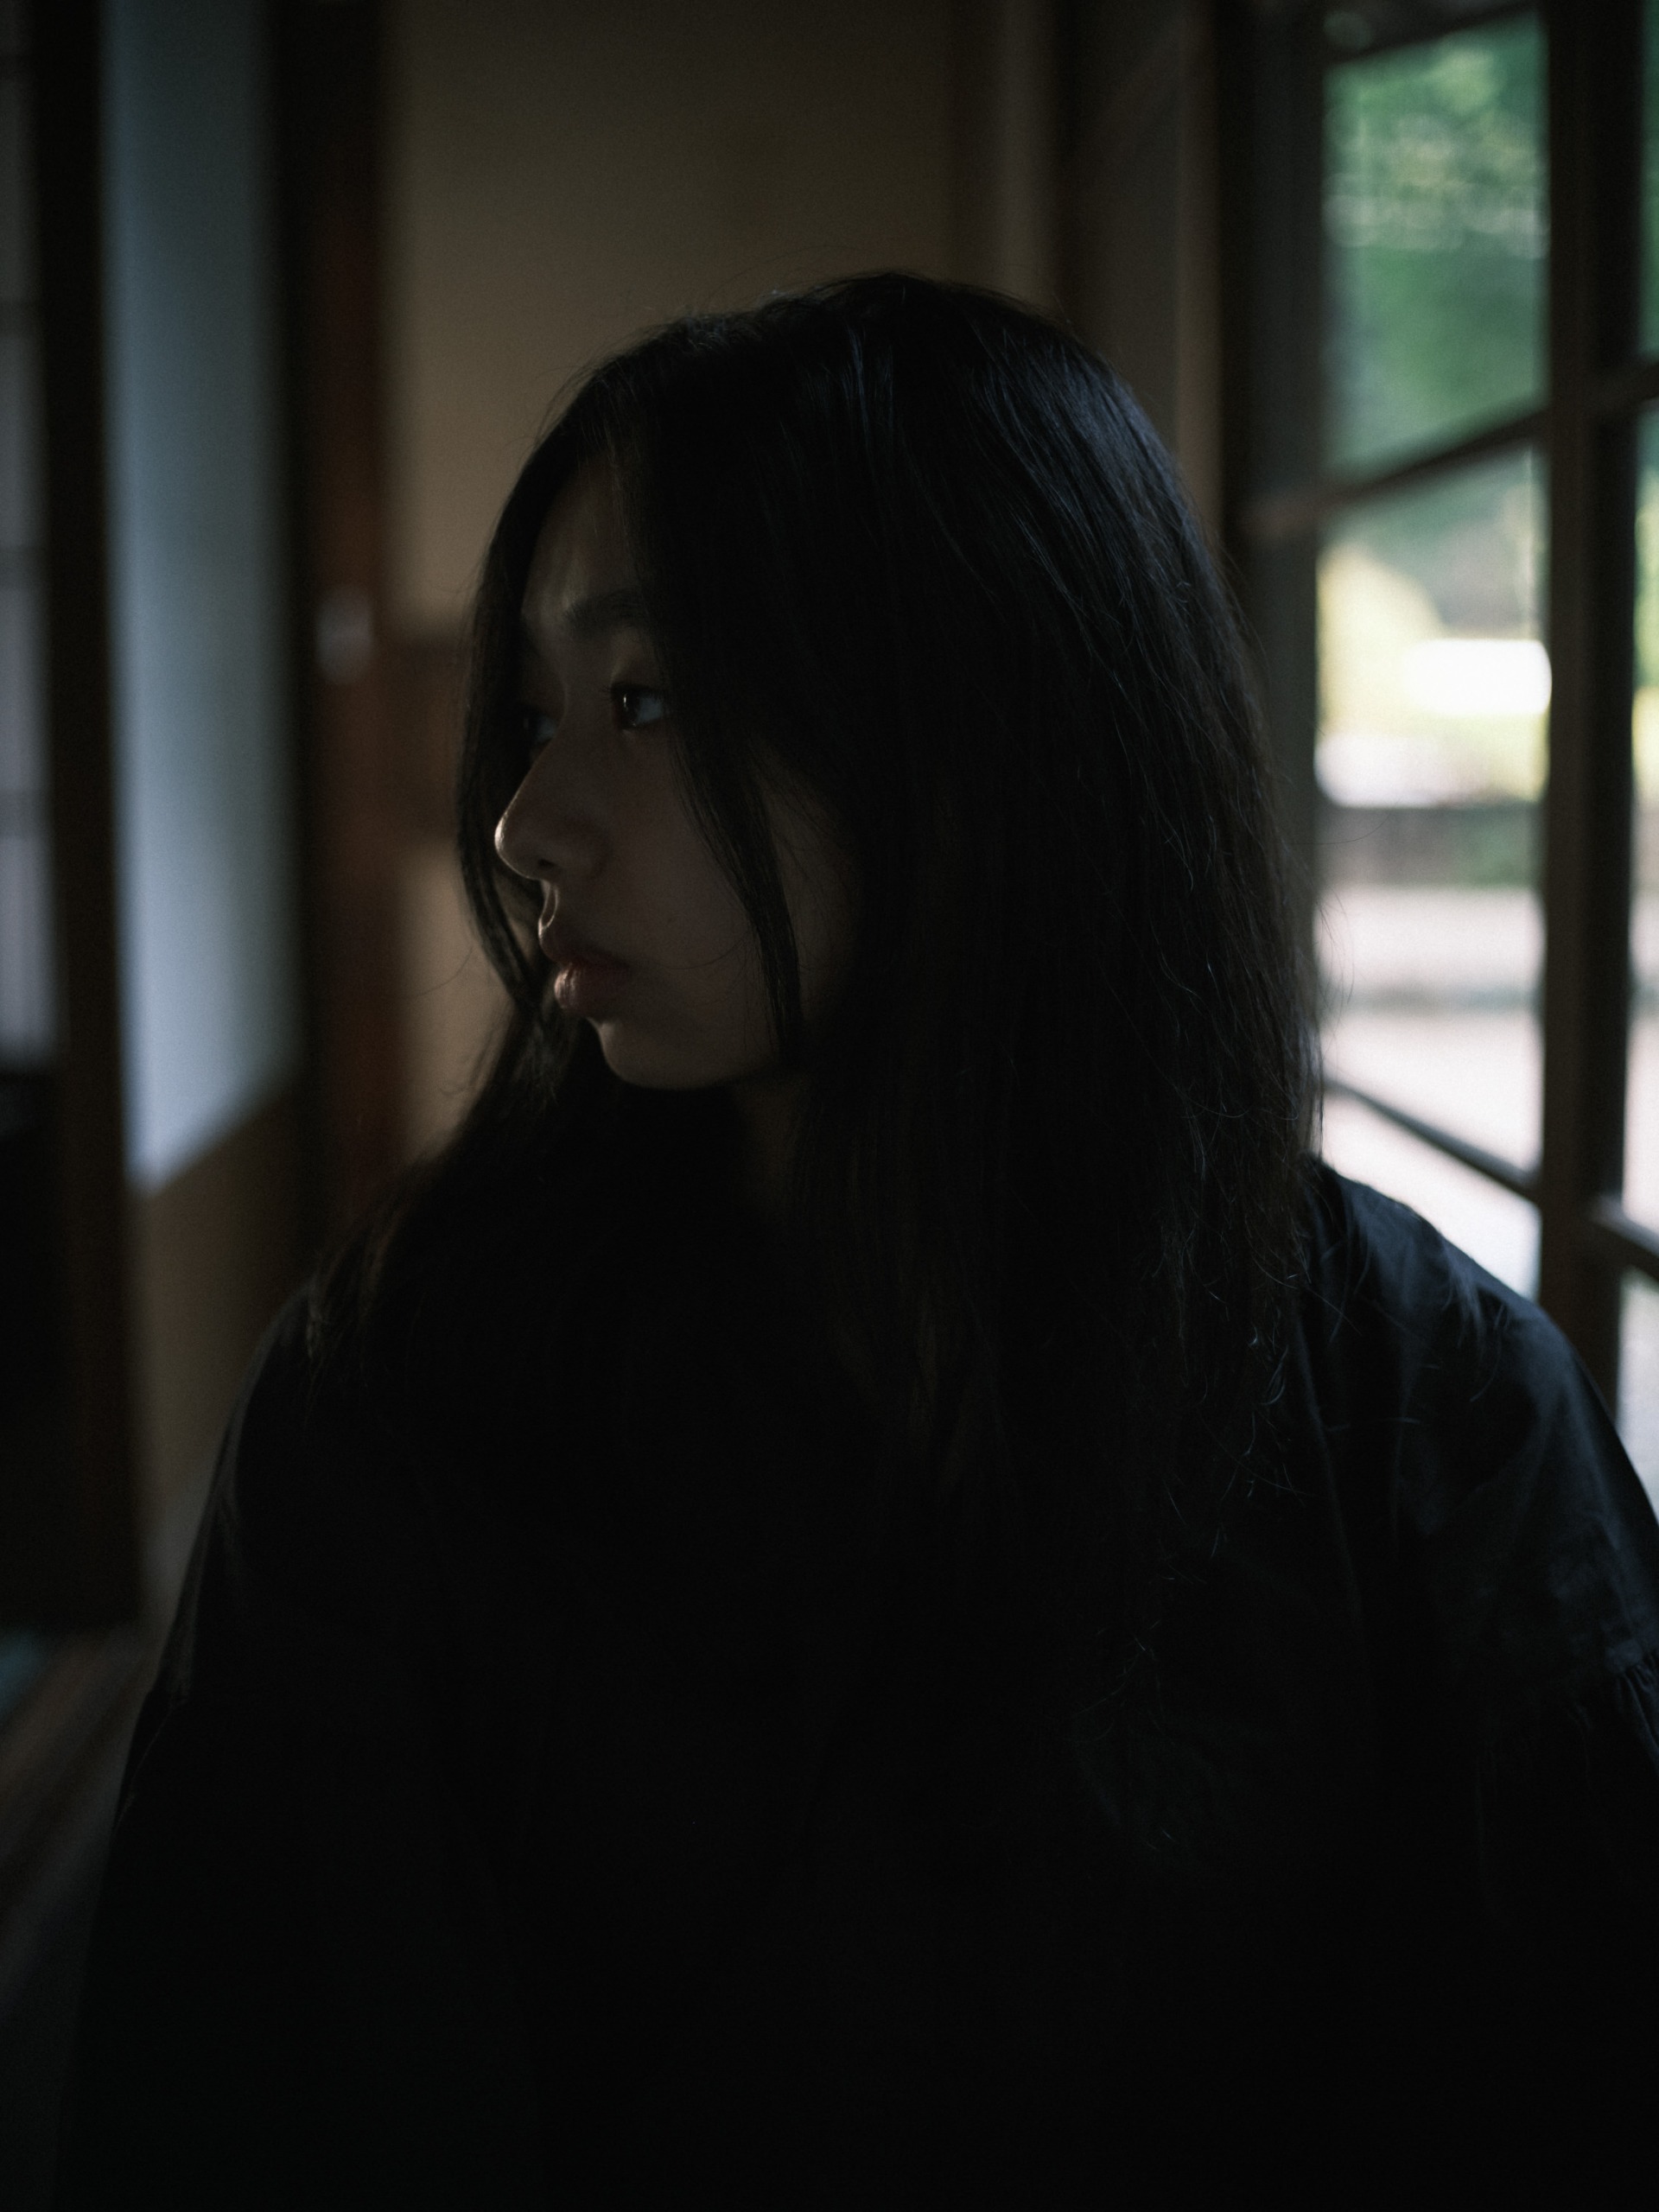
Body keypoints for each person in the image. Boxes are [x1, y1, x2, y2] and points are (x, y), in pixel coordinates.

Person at [57, 276, 1659, 2205]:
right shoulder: (405, 1387)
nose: (522, 822)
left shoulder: (1439, 1416)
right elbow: (245, 2089)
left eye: (646, 700)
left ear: (991, 723)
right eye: (537, 715)